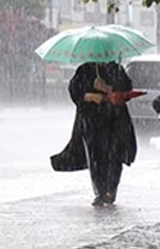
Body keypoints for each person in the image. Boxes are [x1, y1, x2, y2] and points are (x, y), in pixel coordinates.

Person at [51, 61, 138, 206]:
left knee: (115, 156)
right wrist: (89, 96)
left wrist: (108, 89)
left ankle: (111, 189)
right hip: (92, 122)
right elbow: (75, 91)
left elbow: (126, 92)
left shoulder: (116, 69)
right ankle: (100, 192)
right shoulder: (84, 70)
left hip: (115, 121)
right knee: (95, 157)